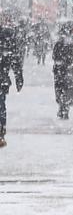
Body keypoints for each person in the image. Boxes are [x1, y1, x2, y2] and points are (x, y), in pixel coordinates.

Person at [0, 8, 24, 148]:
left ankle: (1, 131)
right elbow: (14, 59)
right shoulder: (8, 37)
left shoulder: (7, 37)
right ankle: (1, 131)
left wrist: (18, 76)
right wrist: (18, 77)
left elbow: (14, 58)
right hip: (2, 78)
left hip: (2, 78)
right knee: (1, 105)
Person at [51, 18, 73, 119]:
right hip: (70, 70)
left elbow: (54, 56)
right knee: (69, 89)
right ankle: (66, 107)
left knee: (59, 88)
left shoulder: (59, 42)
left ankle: (61, 106)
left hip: (59, 69)